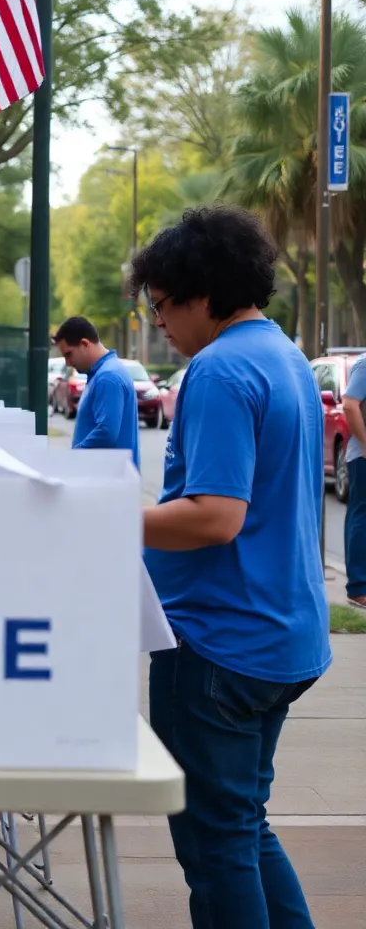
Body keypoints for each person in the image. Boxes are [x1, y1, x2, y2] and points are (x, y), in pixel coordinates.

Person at [134, 207, 331, 929]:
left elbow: (217, 516)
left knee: (217, 847)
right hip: (282, 635)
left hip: (218, 642)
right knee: (244, 826)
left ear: (200, 291)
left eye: (160, 305)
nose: (158, 322)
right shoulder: (284, 356)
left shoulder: (216, 371)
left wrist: (106, 515)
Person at [53, 316, 140, 470]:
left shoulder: (107, 377)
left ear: (84, 344)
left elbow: (107, 432)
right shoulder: (104, 372)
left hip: (109, 481)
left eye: (68, 354)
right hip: (108, 478)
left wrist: (73, 456)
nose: (67, 363)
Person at [341, 358, 366, 609]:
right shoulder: (365, 365)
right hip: (363, 458)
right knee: (362, 516)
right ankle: (359, 588)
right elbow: (350, 405)